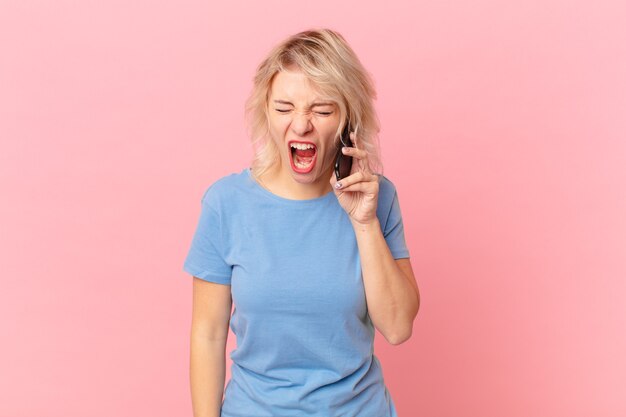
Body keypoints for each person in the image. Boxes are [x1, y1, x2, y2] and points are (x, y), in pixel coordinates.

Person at [183, 28, 420, 417]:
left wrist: (364, 223)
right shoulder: (226, 204)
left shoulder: (379, 200)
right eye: (284, 108)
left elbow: (397, 328)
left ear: (349, 122)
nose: (301, 124)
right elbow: (207, 335)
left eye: (322, 110)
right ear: (265, 112)